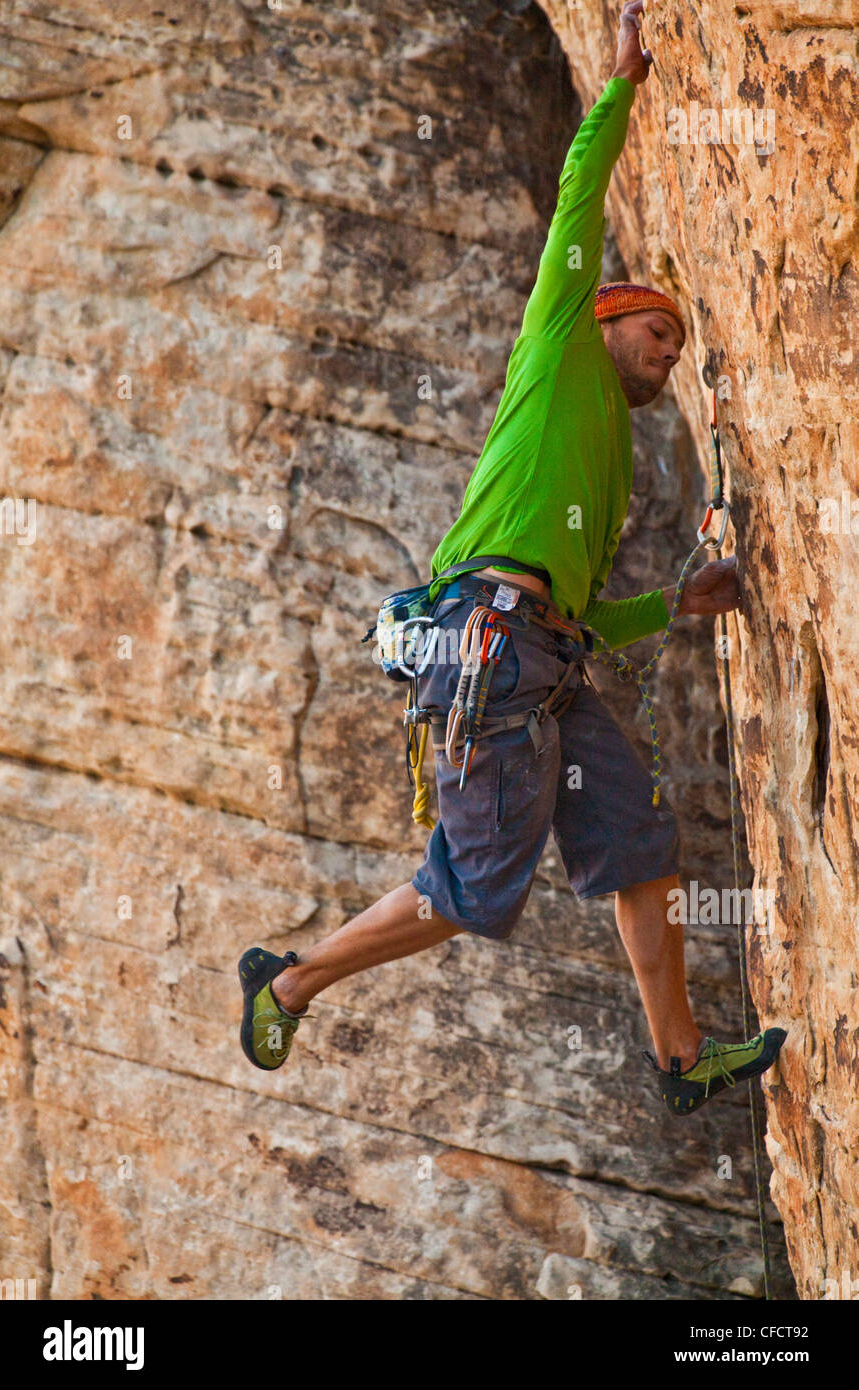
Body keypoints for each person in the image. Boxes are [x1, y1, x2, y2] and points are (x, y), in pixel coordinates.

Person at [237, 1, 785, 1115]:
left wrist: (676, 605)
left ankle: (679, 1063)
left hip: (542, 656)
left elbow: (578, 612)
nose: (666, 354)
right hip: (485, 642)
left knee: (638, 844)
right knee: (471, 892)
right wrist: (620, 85)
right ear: (601, 315)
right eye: (655, 331)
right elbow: (580, 200)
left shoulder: (613, 462)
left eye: (678, 347)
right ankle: (287, 980)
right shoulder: (557, 338)